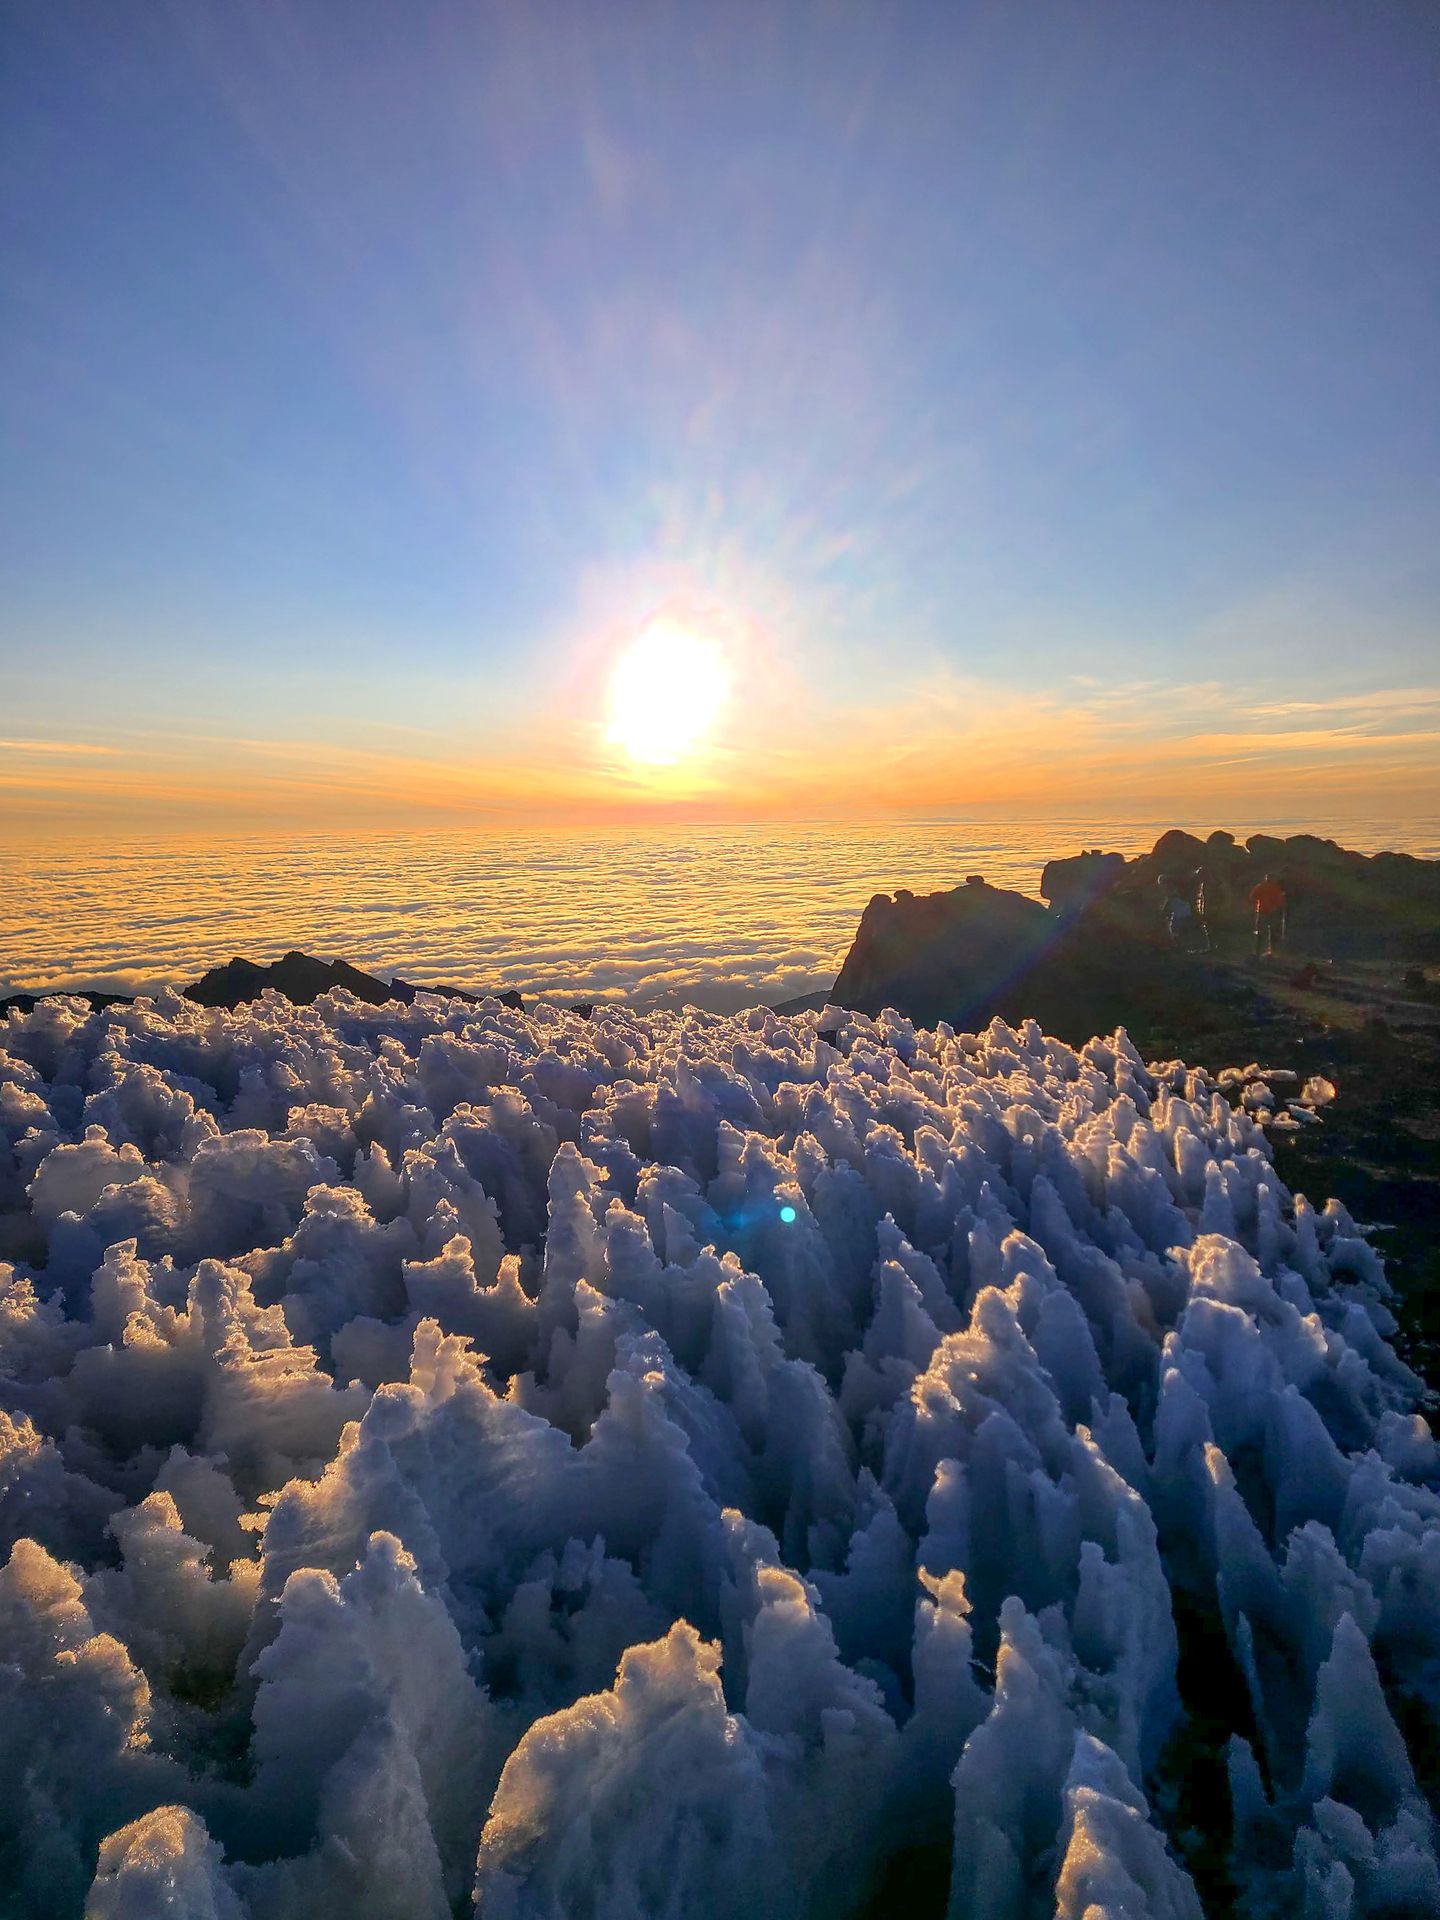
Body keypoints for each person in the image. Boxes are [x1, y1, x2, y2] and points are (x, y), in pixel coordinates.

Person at [1249, 873, 1287, 956]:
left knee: (1260, 932)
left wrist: (1256, 904)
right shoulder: (1275, 888)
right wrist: (1279, 907)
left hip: (1262, 912)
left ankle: (1257, 951)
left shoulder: (1260, 887)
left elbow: (1252, 897)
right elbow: (1281, 901)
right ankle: (1272, 951)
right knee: (1272, 932)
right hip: (1271, 912)